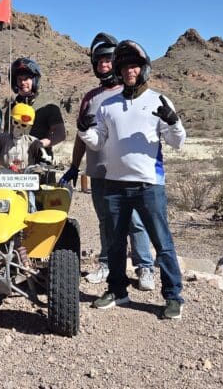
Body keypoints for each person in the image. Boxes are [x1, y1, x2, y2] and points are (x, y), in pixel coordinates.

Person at [77, 40, 187, 320]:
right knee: (114, 242)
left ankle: (173, 296)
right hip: (114, 183)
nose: (129, 71)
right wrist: (83, 131)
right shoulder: (108, 106)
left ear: (144, 69)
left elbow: (178, 143)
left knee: (162, 242)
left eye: (134, 66)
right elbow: (97, 140)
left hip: (149, 184)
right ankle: (117, 290)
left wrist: (173, 121)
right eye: (124, 66)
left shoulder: (159, 101)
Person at [60, 33, 157, 291]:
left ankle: (144, 266)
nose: (104, 65)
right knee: (106, 220)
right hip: (99, 171)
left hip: (127, 171)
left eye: (108, 60)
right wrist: (74, 165)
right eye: (99, 61)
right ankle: (106, 264)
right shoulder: (90, 97)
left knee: (135, 220)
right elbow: (82, 136)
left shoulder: (129, 92)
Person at [5, 58, 66, 160]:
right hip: (15, 163)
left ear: (34, 80)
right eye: (19, 79)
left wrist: (41, 143)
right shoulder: (12, 107)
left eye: (26, 78)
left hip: (41, 163)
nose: (23, 82)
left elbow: (60, 133)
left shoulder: (48, 104)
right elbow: (7, 134)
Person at [0, 102, 51, 170]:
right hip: (4, 177)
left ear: (29, 126)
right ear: (11, 120)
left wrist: (45, 158)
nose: (18, 127)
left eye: (23, 125)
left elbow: (42, 159)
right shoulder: (1, 139)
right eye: (16, 122)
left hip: (26, 177)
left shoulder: (32, 142)